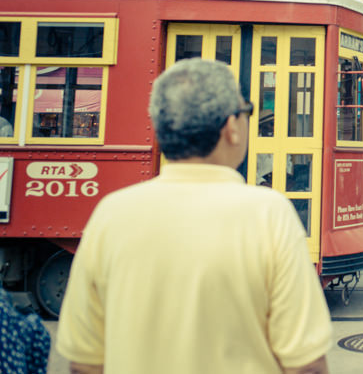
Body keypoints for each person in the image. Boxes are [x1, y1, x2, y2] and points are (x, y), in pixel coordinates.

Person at [57, 59, 333, 374]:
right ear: (231, 127)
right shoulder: (269, 215)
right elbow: (306, 365)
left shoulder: (110, 214)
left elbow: (84, 364)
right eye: (247, 113)